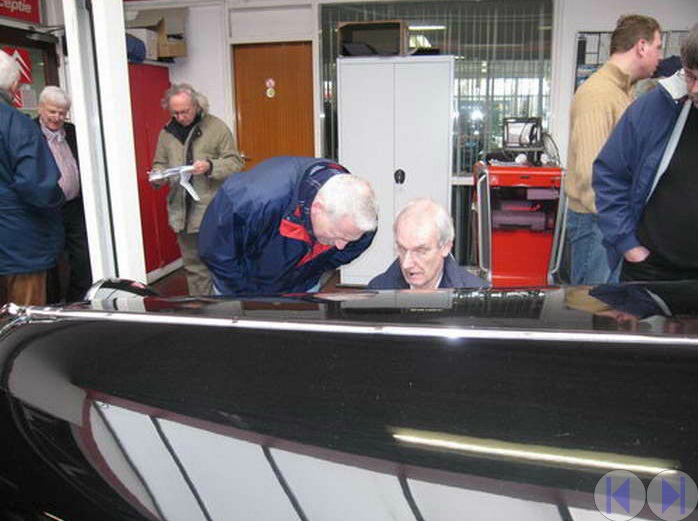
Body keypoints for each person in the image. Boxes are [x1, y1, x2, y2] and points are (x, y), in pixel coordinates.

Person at [594, 23, 698, 282]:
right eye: (690, 76)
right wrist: (629, 246)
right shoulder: (654, 107)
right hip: (650, 269)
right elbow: (610, 174)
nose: (694, 89)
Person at [565, 14, 662, 285]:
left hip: (611, 222)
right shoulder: (598, 94)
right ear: (641, 46)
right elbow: (590, 176)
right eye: (657, 47)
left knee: (611, 303)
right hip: (599, 223)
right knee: (594, 304)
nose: (660, 56)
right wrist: (623, 234)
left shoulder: (622, 93)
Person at [198, 156, 377, 295]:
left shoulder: (359, 217)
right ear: (317, 208)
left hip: (302, 286)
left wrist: (310, 270)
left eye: (348, 238)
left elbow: (353, 247)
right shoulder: (251, 200)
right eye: (337, 235)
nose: (341, 245)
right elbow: (215, 253)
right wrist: (248, 297)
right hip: (240, 288)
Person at [152, 83, 244, 296]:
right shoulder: (166, 133)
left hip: (212, 210)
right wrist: (157, 175)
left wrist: (210, 166)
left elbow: (235, 162)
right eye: (175, 113)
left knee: (221, 263)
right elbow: (160, 163)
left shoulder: (216, 127)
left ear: (197, 105)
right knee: (194, 267)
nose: (180, 117)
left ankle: (228, 309)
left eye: (185, 111)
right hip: (182, 213)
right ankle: (202, 309)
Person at [0, 50, 64, 306]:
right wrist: (59, 200)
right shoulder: (17, 125)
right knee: (26, 317)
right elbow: (39, 187)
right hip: (20, 246)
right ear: (14, 85)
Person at [36, 86, 92, 303]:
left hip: (74, 206)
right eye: (52, 111)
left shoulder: (72, 131)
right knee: (52, 260)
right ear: (40, 108)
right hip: (47, 208)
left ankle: (78, 303)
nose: (57, 117)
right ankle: (54, 305)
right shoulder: (30, 133)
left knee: (82, 257)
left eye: (62, 112)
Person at [367, 199, 487, 290]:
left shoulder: (476, 295)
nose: (406, 264)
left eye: (420, 251)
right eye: (402, 249)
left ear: (445, 247)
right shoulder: (378, 292)